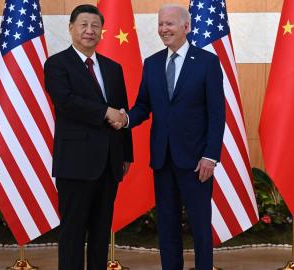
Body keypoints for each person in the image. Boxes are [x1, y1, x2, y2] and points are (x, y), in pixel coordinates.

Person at [109, 4, 225, 270]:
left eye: (170, 24)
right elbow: (143, 106)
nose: (164, 29)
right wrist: (125, 119)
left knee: (200, 228)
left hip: (197, 162)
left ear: (187, 27)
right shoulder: (151, 64)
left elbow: (217, 114)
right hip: (162, 160)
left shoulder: (207, 62)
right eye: (161, 24)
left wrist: (210, 155)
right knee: (167, 226)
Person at [43, 4, 133, 270]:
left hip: (109, 162)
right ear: (71, 28)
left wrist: (126, 153)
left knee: (100, 233)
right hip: (75, 163)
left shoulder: (113, 67)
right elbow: (66, 102)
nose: (89, 31)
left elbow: (123, 111)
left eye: (95, 26)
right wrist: (104, 111)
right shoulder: (57, 64)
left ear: (102, 31)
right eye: (83, 25)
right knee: (72, 233)